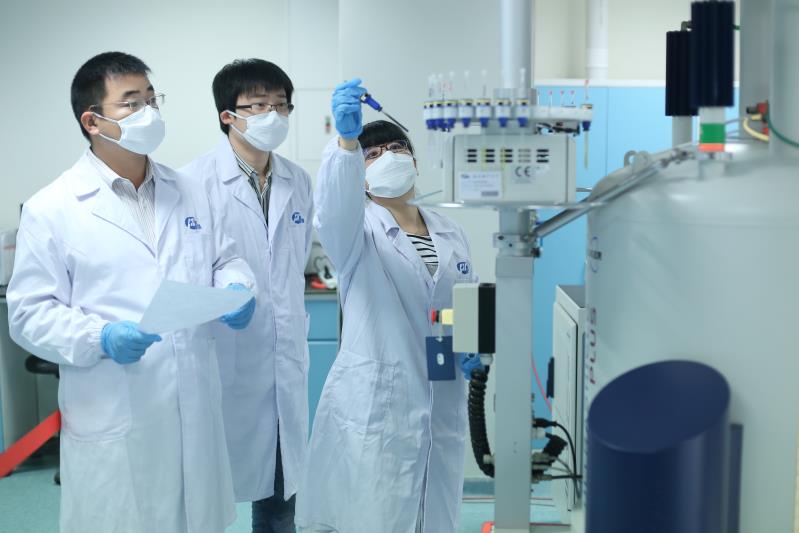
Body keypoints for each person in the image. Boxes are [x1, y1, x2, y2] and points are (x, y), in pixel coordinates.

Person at [6, 51, 257, 533]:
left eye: (152, 99)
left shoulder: (190, 190)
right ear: (92, 120)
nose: (149, 113)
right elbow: (29, 314)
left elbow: (225, 259)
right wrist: (100, 337)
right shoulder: (53, 208)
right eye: (131, 103)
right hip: (115, 409)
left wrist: (237, 287)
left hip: (192, 409)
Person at [295, 79, 477, 533]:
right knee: (377, 515)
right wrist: (346, 144)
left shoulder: (450, 231)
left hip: (443, 390)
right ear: (359, 174)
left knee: (435, 514)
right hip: (381, 403)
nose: (389, 157)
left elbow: (461, 300)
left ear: (414, 161)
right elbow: (333, 207)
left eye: (398, 148)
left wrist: (472, 343)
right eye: (372, 154)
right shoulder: (356, 231)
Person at [180, 59, 313, 533]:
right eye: (258, 105)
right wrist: (228, 293)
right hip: (222, 357)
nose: (272, 115)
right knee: (203, 500)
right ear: (228, 115)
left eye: (281, 104)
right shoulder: (191, 183)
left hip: (283, 363)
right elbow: (188, 269)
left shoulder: (298, 181)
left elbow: (295, 263)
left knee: (280, 499)